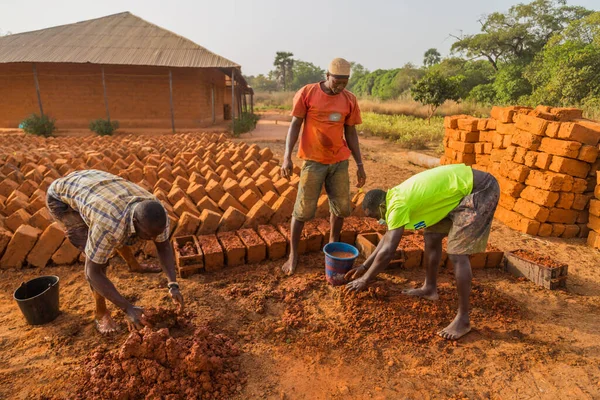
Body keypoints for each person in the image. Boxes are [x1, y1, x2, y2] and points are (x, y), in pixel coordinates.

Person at [345, 164, 500, 340]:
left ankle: (463, 320)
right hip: (458, 192)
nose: (378, 221)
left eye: (376, 216)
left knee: (457, 254)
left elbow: (388, 251)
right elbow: (387, 240)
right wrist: (364, 267)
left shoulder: (397, 206)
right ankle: (429, 288)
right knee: (432, 237)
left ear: (381, 207)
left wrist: (365, 280)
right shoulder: (393, 198)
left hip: (479, 190)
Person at [46, 170, 184, 333]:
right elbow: (93, 272)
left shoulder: (156, 213)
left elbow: (164, 246)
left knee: (117, 233)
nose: (152, 238)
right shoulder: (108, 224)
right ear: (135, 221)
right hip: (62, 199)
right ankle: (101, 313)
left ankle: (134, 265)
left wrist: (173, 284)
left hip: (97, 187)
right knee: (100, 260)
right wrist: (128, 308)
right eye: (148, 235)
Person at [280, 57, 366, 275]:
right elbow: (295, 124)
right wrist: (286, 157)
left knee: (341, 208)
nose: (340, 85)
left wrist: (359, 163)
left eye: (345, 82)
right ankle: (293, 255)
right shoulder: (307, 93)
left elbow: (351, 132)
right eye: (337, 80)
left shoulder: (349, 99)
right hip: (313, 161)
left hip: (339, 162)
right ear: (327, 76)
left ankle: (331, 245)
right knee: (303, 211)